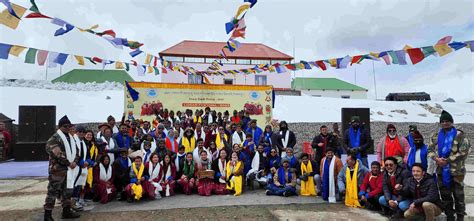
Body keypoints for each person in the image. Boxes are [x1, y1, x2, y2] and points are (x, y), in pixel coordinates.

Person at [428, 110, 471, 221]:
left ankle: (460, 217)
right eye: (443, 121)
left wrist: (447, 160)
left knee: (459, 196)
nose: (445, 123)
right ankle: (450, 216)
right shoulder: (437, 135)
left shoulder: (460, 135)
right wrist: (436, 158)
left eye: (447, 121)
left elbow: (463, 152)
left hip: (457, 171)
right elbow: (429, 149)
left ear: (452, 122)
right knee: (445, 195)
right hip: (442, 171)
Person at [43, 115, 80, 220]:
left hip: (69, 169)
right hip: (57, 171)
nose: (68, 128)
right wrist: (69, 163)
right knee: (52, 192)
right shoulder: (54, 138)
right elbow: (56, 153)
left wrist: (75, 161)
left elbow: (77, 151)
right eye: (65, 126)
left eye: (69, 126)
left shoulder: (71, 138)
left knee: (68, 192)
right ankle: (47, 215)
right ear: (60, 127)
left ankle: (66, 212)